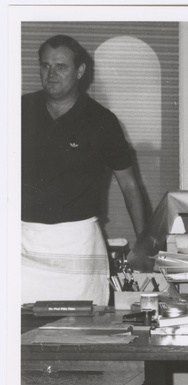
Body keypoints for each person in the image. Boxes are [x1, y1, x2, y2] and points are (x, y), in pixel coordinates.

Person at [22, 34, 148, 306]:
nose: (51, 74)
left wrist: (144, 246)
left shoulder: (102, 121)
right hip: (21, 244)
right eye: (45, 66)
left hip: (78, 245)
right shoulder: (18, 110)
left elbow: (129, 185)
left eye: (61, 66)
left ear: (80, 71)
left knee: (80, 335)